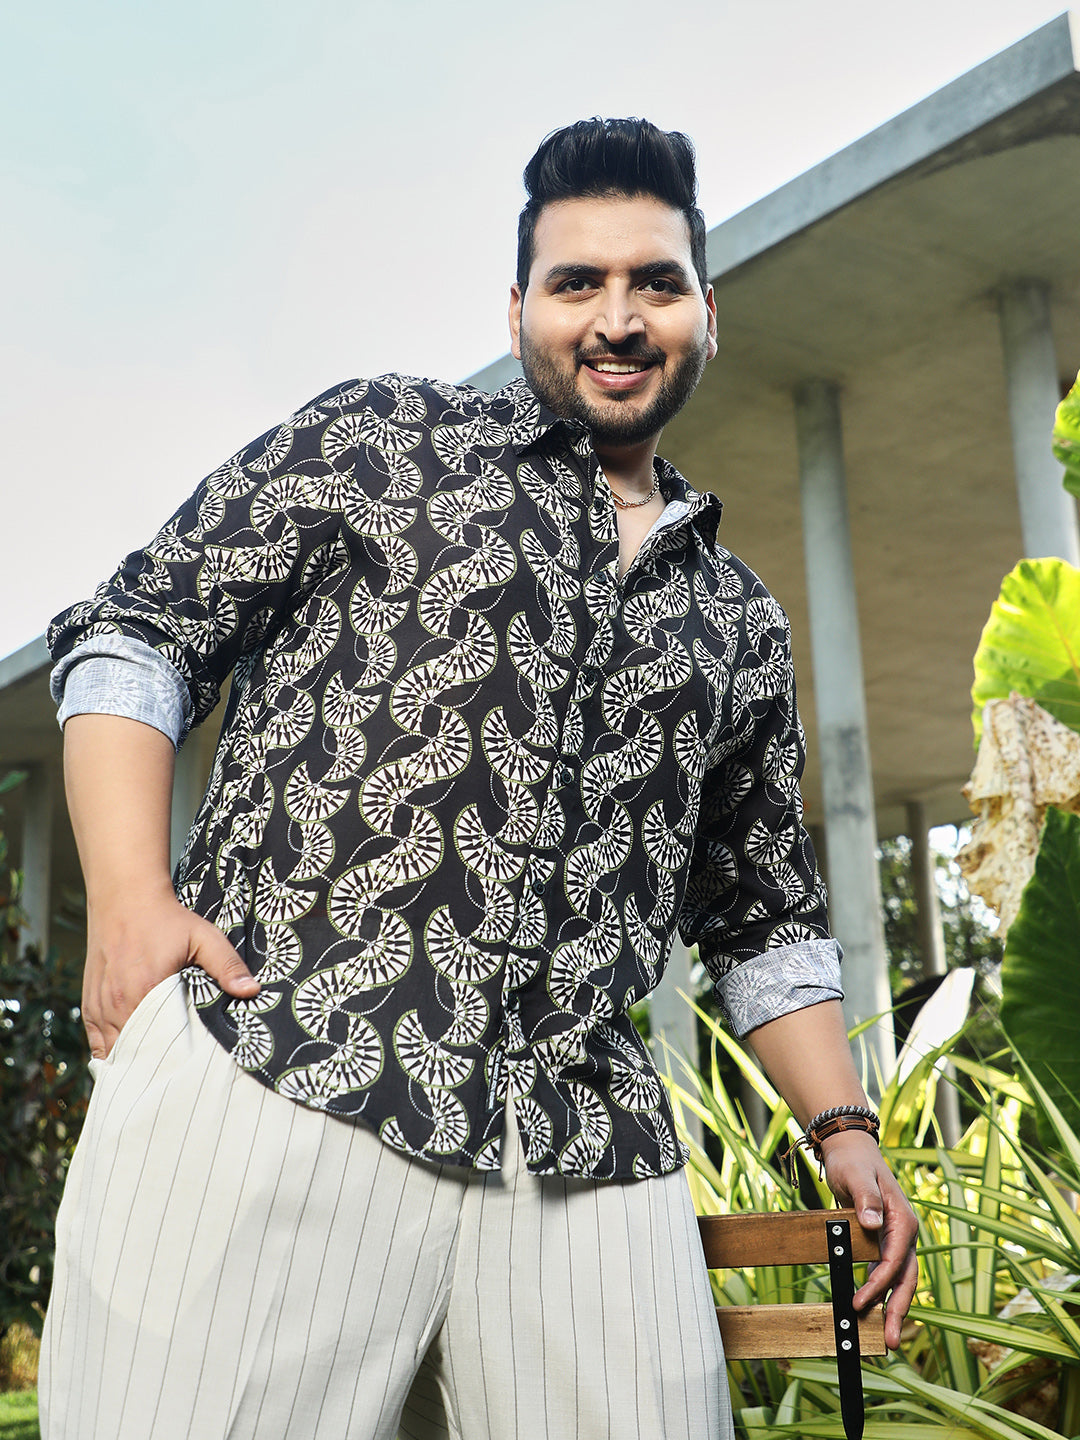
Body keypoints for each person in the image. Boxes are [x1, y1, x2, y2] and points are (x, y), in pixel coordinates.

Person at [41, 117, 917, 1440]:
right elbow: (139, 633)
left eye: (656, 283)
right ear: (517, 311)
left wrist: (843, 1126)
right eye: (577, 283)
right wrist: (126, 899)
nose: (617, 318)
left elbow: (762, 916)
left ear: (706, 317)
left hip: (583, 1148)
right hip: (280, 1063)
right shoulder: (380, 441)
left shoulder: (739, 620)